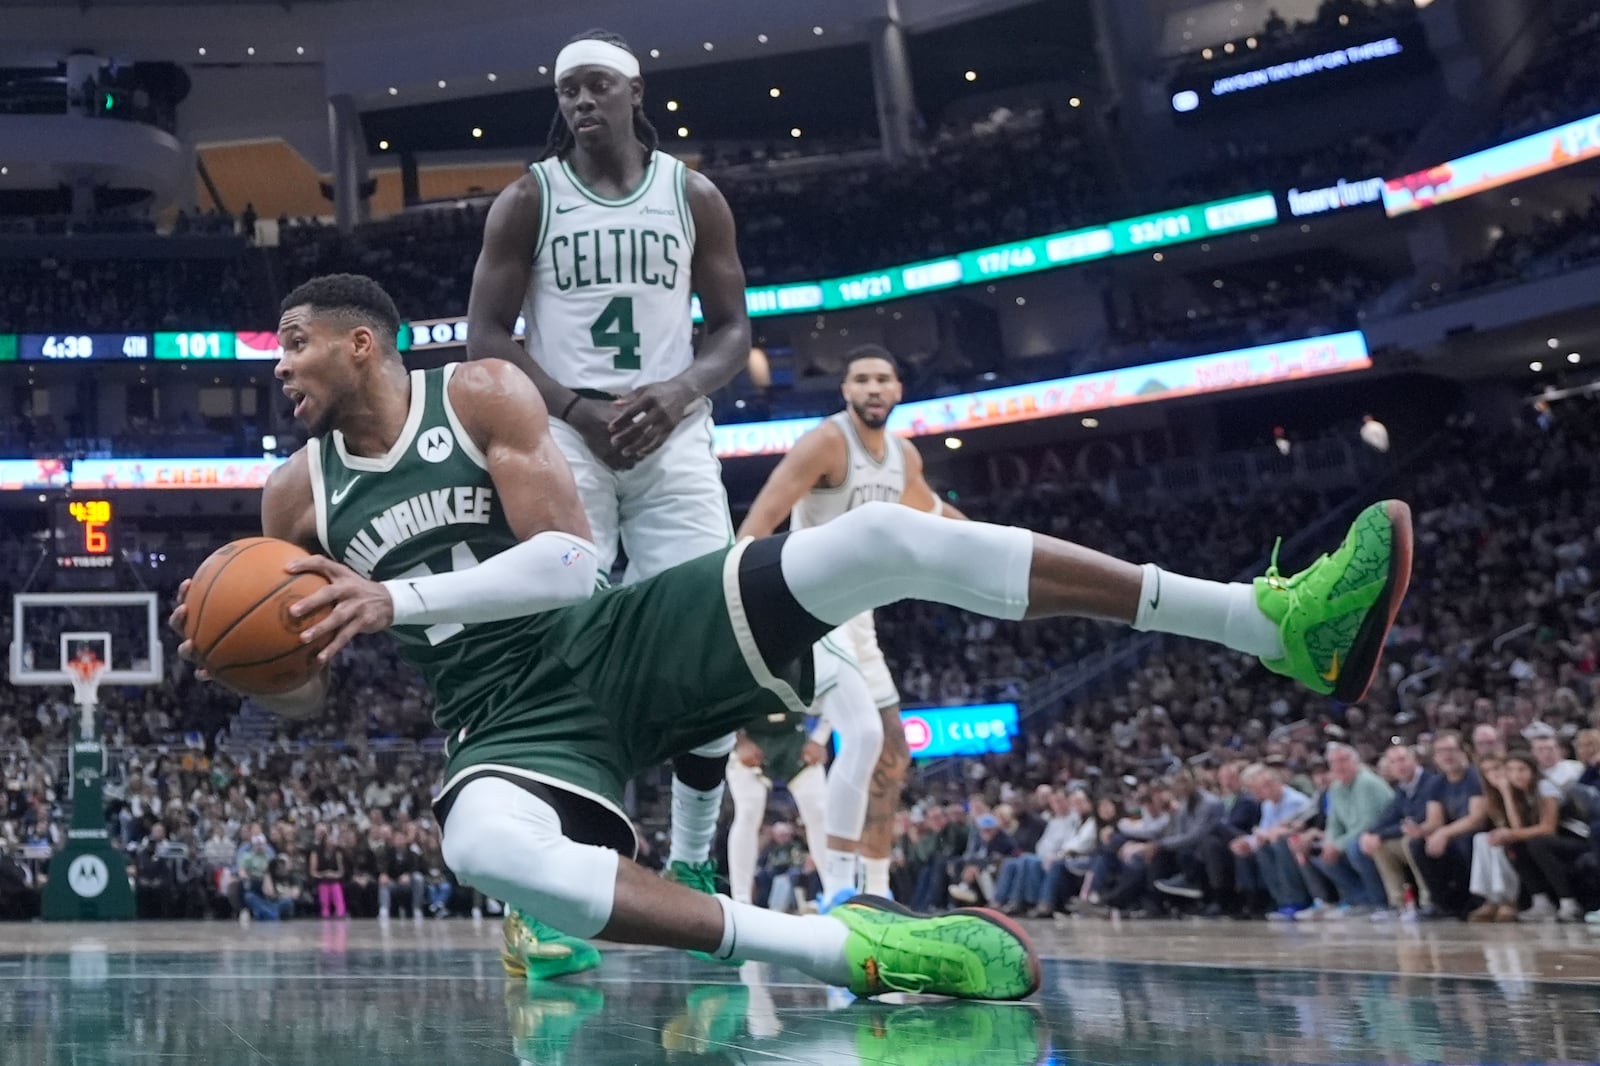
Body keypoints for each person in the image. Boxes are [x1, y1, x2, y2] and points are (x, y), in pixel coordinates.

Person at [174, 273, 1411, 1000]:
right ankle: (847, 946)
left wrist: (399, 599)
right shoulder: (294, 500)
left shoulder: (476, 393)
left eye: (289, 343)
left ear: (362, 341)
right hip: (508, 724)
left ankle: (1271, 621)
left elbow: (565, 563)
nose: (274, 367)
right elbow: (306, 698)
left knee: (879, 537)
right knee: (476, 839)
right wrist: (248, 656)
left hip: (613, 636)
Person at [464, 29, 753, 973]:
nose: (581, 103)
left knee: (708, 643)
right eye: (566, 91)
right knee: (567, 656)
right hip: (566, 441)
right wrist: (579, 411)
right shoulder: (527, 200)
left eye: (596, 86)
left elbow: (733, 330)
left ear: (634, 89)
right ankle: (550, 899)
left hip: (674, 440)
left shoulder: (693, 193)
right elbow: (485, 338)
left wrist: (677, 394)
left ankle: (694, 863)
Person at [738, 346, 968, 909]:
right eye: (860, 378)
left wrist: (1005, 544)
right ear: (845, 391)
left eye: (882, 379)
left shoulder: (902, 457)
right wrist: (737, 591)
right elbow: (764, 516)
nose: (871, 387)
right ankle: (839, 892)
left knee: (893, 753)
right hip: (810, 603)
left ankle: (878, 889)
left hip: (858, 615)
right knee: (862, 737)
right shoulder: (826, 441)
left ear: (897, 390)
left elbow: (936, 516)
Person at [725, 701, 830, 908]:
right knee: (747, 811)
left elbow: (836, 692)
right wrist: (737, 740)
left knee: (818, 811)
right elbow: (718, 698)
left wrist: (820, 737)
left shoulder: (809, 668)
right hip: (749, 735)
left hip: (795, 736)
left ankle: (834, 891)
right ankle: (741, 900)